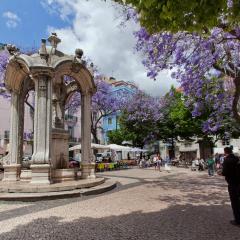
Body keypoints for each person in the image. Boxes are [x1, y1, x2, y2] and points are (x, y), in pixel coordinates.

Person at [220, 147, 240, 226]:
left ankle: (237, 220)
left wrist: (220, 173)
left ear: (225, 152)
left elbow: (225, 172)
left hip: (232, 183)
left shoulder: (227, 160)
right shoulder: (237, 158)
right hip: (239, 182)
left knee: (234, 202)